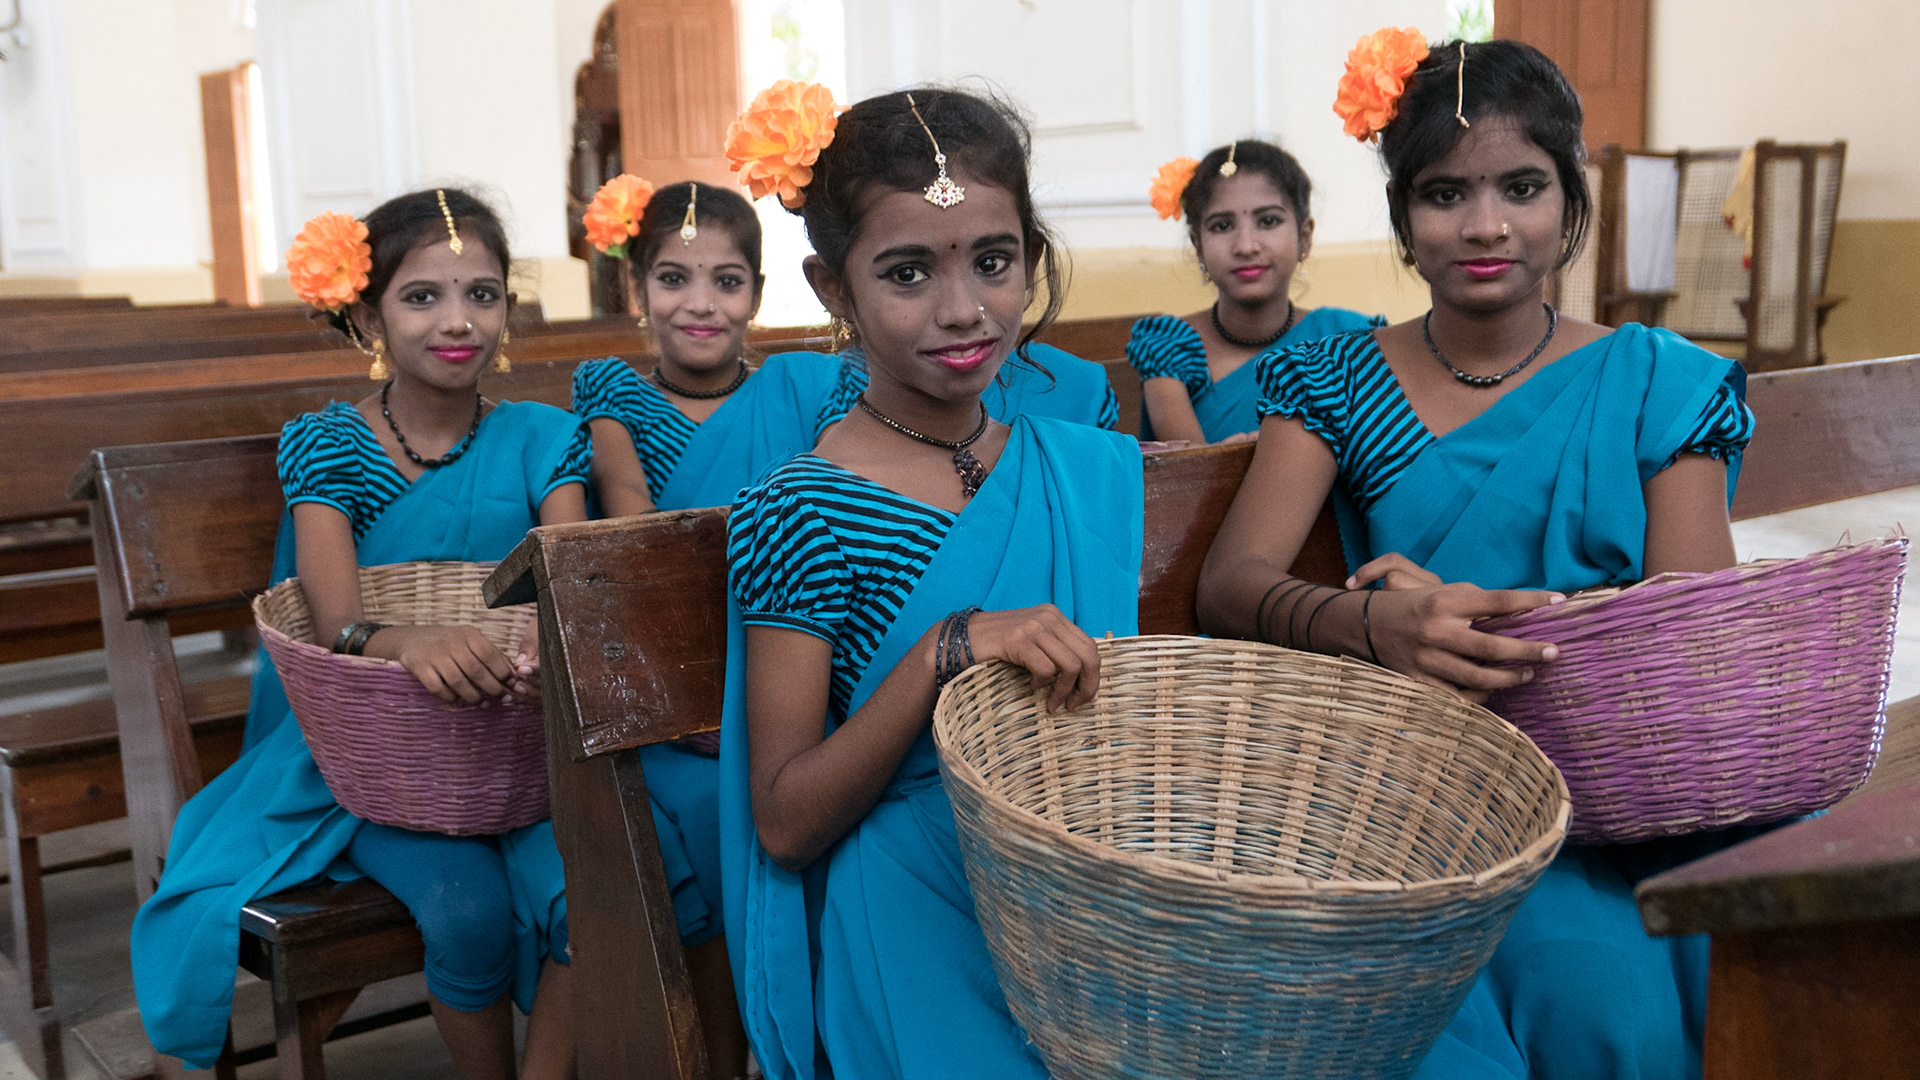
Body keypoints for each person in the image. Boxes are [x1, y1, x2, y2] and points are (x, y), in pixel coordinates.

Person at [1197, 34, 1756, 1080]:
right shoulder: (1337, 372)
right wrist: (1373, 624)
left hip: (1628, 789)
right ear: (1405, 218)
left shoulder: (1656, 381)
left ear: (1570, 201)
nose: (1487, 224)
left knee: (1639, 992)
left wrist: (1526, 626)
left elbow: (1691, 641)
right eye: (1446, 193)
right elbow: (1233, 582)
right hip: (1426, 789)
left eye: (1522, 186)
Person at [718, 80, 1143, 1080]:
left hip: (1084, 878)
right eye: (907, 272)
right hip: (913, 899)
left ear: (1029, 260)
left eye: (993, 262)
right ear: (832, 291)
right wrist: (944, 652)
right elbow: (784, 821)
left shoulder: (1081, 464)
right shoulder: (802, 507)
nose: (964, 309)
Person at [131, 189, 584, 1080]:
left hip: (517, 738)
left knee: (593, 890)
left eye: (482, 294)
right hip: (366, 756)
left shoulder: (543, 438)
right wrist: (406, 642)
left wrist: (546, 651)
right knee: (467, 912)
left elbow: (570, 583)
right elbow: (338, 623)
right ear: (369, 312)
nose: (459, 321)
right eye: (423, 297)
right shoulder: (333, 444)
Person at [1130, 140, 1381, 442]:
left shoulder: (1351, 341)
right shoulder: (1170, 348)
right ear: (1198, 246)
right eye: (1222, 226)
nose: (1246, 246)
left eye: (1268, 221)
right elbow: (1191, 472)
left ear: (1304, 237)